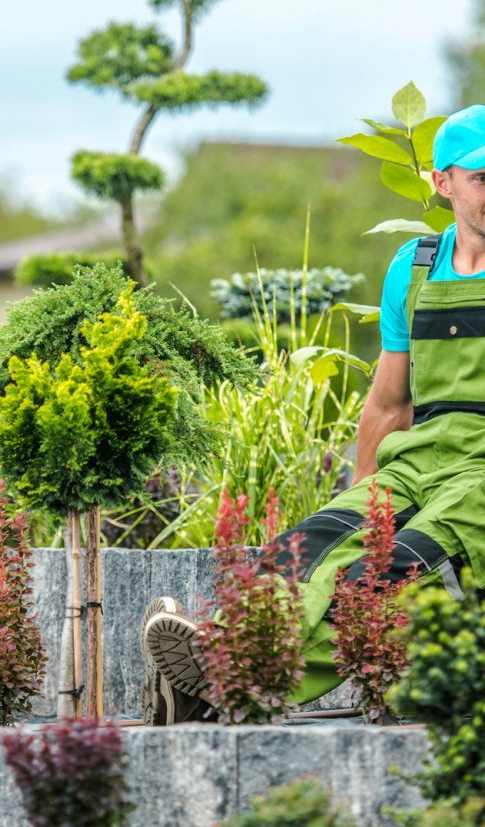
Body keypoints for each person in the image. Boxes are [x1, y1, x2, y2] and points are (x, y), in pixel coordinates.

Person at [142, 104, 485, 725]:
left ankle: (228, 677)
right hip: (417, 463)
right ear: (444, 182)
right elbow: (388, 402)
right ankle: (213, 658)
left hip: (481, 477)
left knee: (387, 570)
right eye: (482, 178)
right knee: (305, 546)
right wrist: (363, 498)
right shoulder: (412, 269)